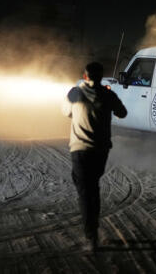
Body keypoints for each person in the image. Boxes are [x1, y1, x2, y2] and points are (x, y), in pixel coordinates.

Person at [62, 62, 127, 252]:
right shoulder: (108, 94)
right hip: (101, 150)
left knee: (84, 191)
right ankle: (94, 232)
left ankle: (91, 236)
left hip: (79, 149)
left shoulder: (75, 93)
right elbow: (122, 113)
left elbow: (65, 112)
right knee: (94, 188)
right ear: (100, 76)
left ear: (85, 76)